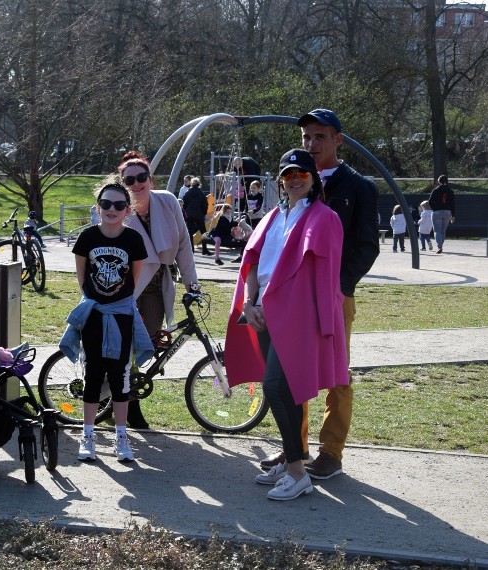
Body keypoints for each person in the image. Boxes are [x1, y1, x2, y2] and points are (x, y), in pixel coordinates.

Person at [258, 108, 380, 480]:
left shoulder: (358, 187)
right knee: (292, 369)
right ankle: (296, 447)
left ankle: (331, 452)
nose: (312, 144)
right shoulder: (293, 180)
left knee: (336, 372)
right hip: (291, 300)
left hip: (333, 298)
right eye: (306, 137)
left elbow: (367, 246)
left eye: (320, 137)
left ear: (338, 140)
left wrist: (341, 288)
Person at [226, 149, 348, 501]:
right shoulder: (273, 216)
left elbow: (323, 276)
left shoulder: (324, 218)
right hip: (262, 311)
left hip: (296, 318)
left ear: (313, 177)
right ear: (281, 179)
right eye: (288, 174)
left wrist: (323, 322)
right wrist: (249, 304)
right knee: (284, 390)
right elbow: (250, 261)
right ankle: (294, 458)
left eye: (302, 173)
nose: (295, 179)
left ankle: (297, 472)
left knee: (277, 386)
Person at [60, 182, 152, 462]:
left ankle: (121, 437)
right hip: (94, 315)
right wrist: (98, 303)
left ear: (128, 210)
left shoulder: (133, 240)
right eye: (107, 204)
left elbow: (134, 280)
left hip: (122, 314)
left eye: (119, 205)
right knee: (93, 373)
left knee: (120, 376)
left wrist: (118, 303)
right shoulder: (87, 237)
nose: (112, 209)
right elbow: (82, 278)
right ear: (98, 206)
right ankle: (88, 435)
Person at [119, 151, 199, 429]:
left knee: (146, 345)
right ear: (122, 183)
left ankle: (127, 397)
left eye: (142, 177)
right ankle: (129, 405)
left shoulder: (167, 202)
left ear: (150, 179)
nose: (136, 183)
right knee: (123, 348)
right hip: (125, 288)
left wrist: (193, 283)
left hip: (155, 288)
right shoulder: (117, 206)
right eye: (129, 179)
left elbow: (184, 244)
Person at [181, 177, 209, 254]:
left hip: (189, 214)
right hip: (199, 214)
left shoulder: (188, 192)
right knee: (203, 231)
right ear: (199, 184)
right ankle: (204, 249)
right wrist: (203, 213)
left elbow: (184, 202)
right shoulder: (201, 193)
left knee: (189, 232)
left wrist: (186, 211)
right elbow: (205, 204)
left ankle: (191, 249)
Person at [428, 175, 455, 254]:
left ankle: (439, 246)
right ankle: (441, 245)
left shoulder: (435, 190)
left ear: (439, 181)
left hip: (437, 212)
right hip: (447, 212)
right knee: (443, 230)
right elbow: (452, 204)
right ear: (447, 181)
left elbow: (430, 201)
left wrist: (434, 208)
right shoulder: (450, 191)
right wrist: (453, 215)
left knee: (437, 230)